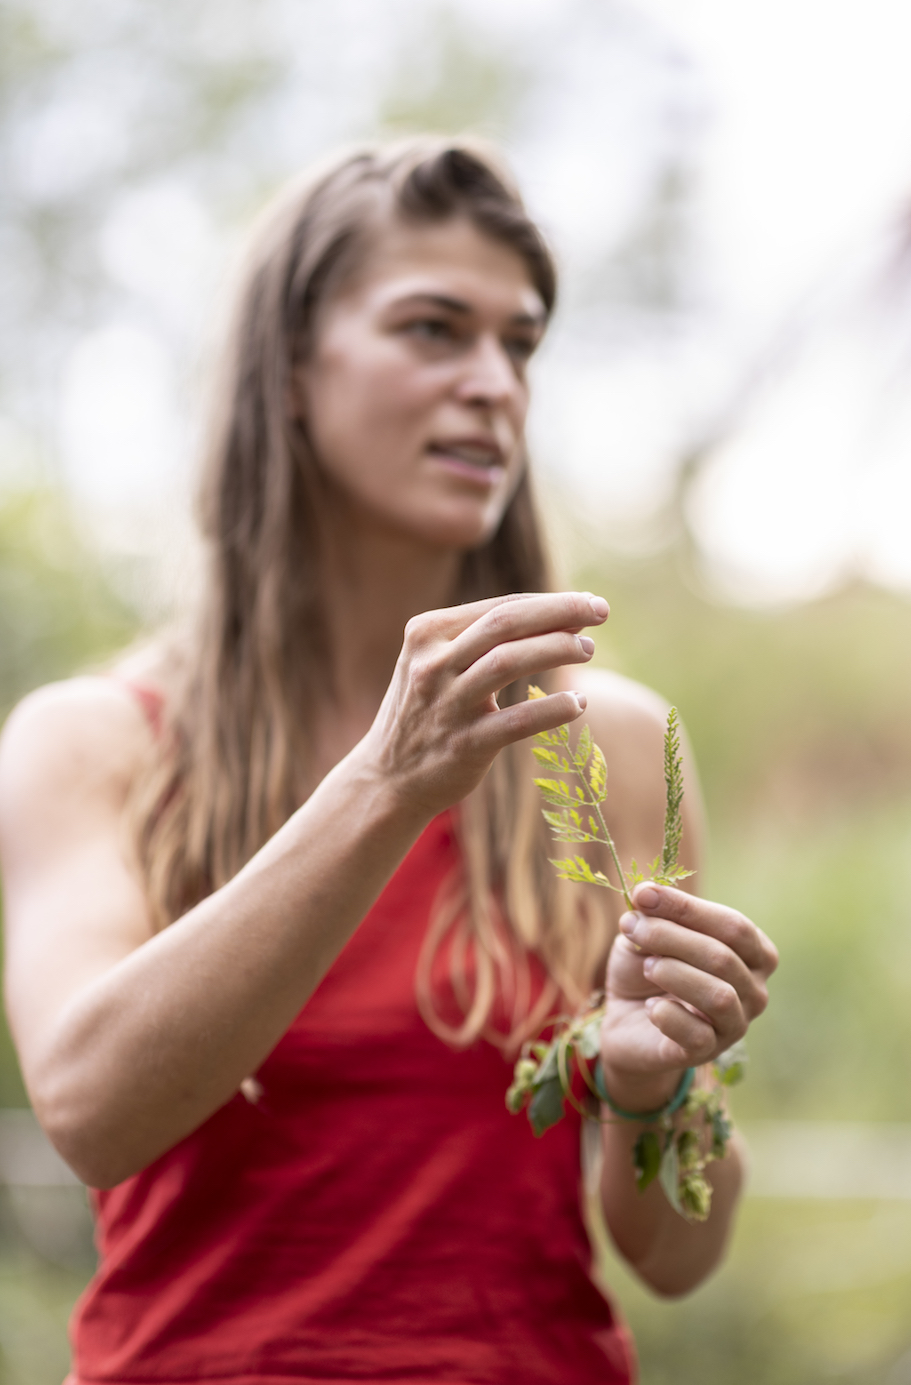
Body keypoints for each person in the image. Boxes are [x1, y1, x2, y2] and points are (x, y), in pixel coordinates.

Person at [0, 139, 777, 1385]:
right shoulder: (93, 741)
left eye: (518, 345)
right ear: (292, 372)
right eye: (433, 329)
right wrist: (383, 783)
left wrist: (650, 1090)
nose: (493, 385)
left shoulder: (611, 745)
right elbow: (92, 1112)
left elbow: (677, 1256)